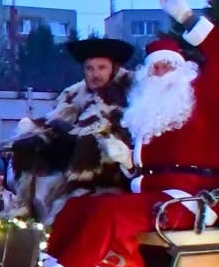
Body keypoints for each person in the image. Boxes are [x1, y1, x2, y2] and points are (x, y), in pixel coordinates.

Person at [45, 0, 219, 267]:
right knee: (80, 205)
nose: (160, 72)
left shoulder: (201, 95)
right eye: (154, 67)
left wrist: (185, 15)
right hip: (153, 194)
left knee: (113, 214)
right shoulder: (147, 111)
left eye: (167, 65)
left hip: (192, 199)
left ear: (183, 69)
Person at [9, 35, 133, 223]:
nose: (95, 74)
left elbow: (112, 137)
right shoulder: (73, 95)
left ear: (113, 69)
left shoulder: (126, 97)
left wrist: (76, 137)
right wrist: (34, 134)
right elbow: (52, 123)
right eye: (89, 68)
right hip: (66, 174)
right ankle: (26, 207)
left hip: (110, 181)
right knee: (28, 146)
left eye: (101, 68)